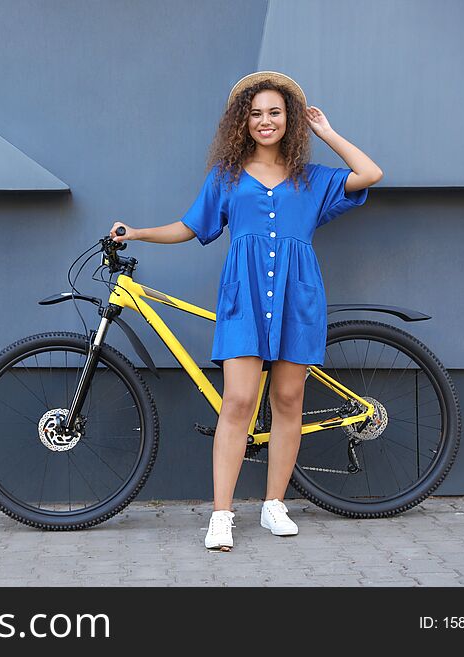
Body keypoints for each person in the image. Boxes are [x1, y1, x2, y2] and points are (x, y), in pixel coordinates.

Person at [108, 71, 383, 551]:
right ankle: (221, 515)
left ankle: (274, 505)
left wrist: (328, 133)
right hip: (244, 298)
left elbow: (370, 174)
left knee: (288, 402)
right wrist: (137, 232)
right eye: (256, 114)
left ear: (289, 119)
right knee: (237, 403)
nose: (265, 121)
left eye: (275, 112)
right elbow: (189, 227)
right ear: (243, 121)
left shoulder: (312, 179)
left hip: (298, 298)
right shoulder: (227, 177)